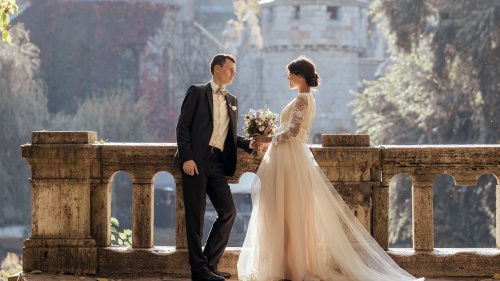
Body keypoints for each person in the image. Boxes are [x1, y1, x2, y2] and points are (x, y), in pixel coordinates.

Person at [238, 56, 424, 281]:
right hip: (291, 157)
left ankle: (291, 268)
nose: (287, 78)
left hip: (290, 158)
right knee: (290, 214)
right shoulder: (306, 99)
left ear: (300, 75)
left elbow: (293, 132)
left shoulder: (302, 100)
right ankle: (289, 266)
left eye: (290, 74)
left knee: (289, 214)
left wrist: (267, 138)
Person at [174, 54, 255, 281]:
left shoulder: (233, 100)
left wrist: (250, 144)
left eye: (234, 70)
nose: (233, 73)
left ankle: (208, 265)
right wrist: (187, 158)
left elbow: (230, 136)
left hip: (218, 164)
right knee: (195, 217)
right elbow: (183, 127)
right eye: (230, 69)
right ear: (217, 69)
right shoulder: (197, 92)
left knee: (229, 211)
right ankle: (198, 271)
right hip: (196, 162)